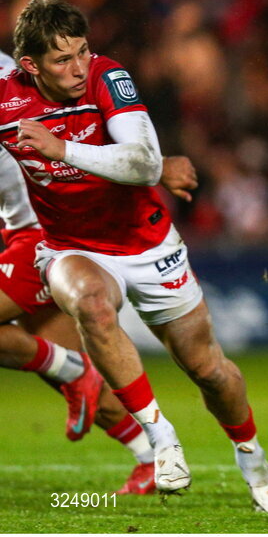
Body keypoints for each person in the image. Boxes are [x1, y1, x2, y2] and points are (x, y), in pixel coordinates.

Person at [2, 0, 268, 512]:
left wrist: (61, 149)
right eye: (62, 59)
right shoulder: (6, 100)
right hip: (68, 245)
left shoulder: (108, 77)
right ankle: (160, 439)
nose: (78, 67)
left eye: (83, 51)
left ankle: (251, 453)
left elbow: (139, 161)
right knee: (90, 302)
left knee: (208, 371)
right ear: (30, 66)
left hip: (146, 243)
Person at [0, 107, 200, 493]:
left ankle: (72, 369)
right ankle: (148, 459)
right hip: (22, 230)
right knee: (68, 370)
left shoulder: (12, 79)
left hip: (43, 233)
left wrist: (156, 166)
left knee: (69, 369)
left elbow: (78, 122)